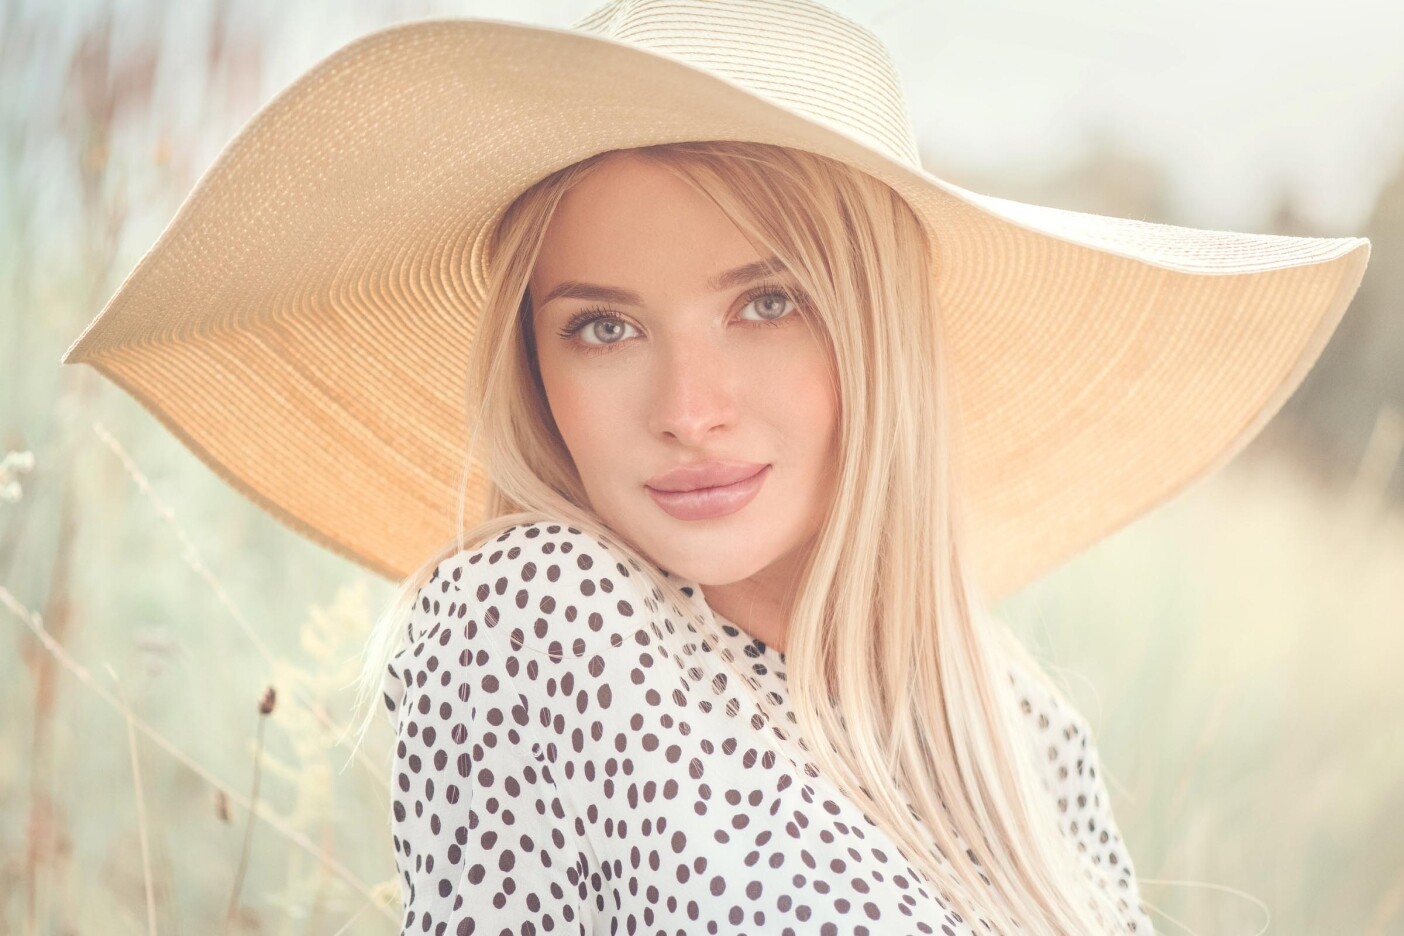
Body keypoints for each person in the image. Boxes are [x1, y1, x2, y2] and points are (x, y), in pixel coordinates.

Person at [58, 1, 1371, 934]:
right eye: (603, 327)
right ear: (536, 369)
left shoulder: (1020, 734)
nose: (688, 411)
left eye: (766, 302)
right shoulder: (535, 618)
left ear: (874, 332)